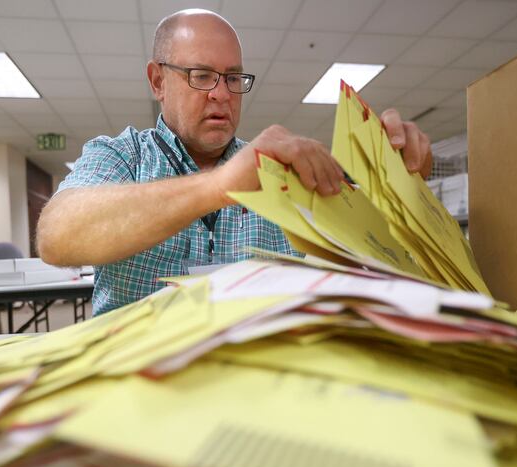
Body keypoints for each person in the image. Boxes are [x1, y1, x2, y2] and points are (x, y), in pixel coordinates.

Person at [38, 9, 432, 316]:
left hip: (256, 380)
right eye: (201, 75)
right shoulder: (122, 156)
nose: (221, 94)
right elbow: (57, 237)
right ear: (157, 81)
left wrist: (400, 184)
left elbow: (372, 254)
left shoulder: (281, 170)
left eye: (232, 78)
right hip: (135, 382)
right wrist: (219, 185)